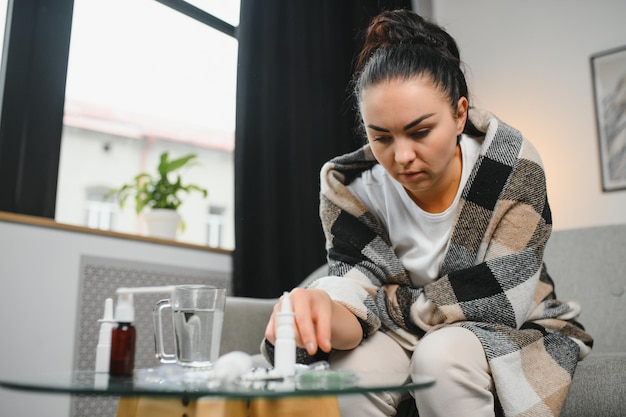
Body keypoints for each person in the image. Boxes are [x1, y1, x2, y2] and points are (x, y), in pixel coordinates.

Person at [264, 9, 593, 417]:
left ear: (459, 114)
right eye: (380, 136)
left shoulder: (512, 167)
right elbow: (353, 301)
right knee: (349, 374)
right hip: (402, 331)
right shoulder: (349, 189)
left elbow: (498, 303)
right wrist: (322, 310)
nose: (402, 157)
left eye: (420, 131)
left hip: (510, 327)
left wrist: (373, 304)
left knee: (441, 358)